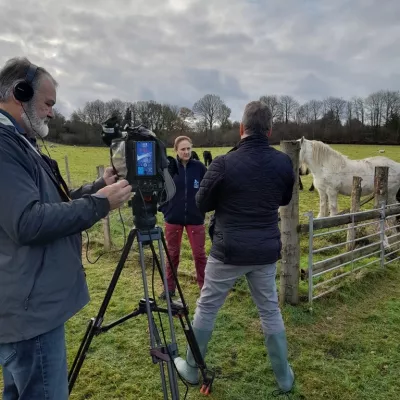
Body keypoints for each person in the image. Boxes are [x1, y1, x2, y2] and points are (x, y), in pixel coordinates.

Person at [0, 57, 132, 400]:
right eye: (48, 104)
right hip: (29, 313)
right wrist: (100, 204)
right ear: (20, 93)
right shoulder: (3, 145)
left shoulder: (17, 142)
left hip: (28, 307)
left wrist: (95, 188)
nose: (52, 113)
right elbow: (27, 222)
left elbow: (49, 204)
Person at [173, 101, 296, 395]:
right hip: (265, 251)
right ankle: (284, 378)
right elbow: (283, 199)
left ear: (242, 129)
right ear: (269, 130)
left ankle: (191, 367)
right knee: (269, 311)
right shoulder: (283, 163)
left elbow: (202, 203)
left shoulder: (224, 163)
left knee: (208, 307)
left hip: (228, 250)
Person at [158, 136, 207, 300]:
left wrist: (203, 208)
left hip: (195, 218)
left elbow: (208, 189)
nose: (186, 152)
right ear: (176, 151)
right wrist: (166, 210)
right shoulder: (170, 168)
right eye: (182, 149)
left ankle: (204, 287)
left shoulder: (199, 167)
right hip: (173, 218)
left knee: (199, 255)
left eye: (188, 148)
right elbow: (161, 191)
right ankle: (169, 288)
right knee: (172, 254)